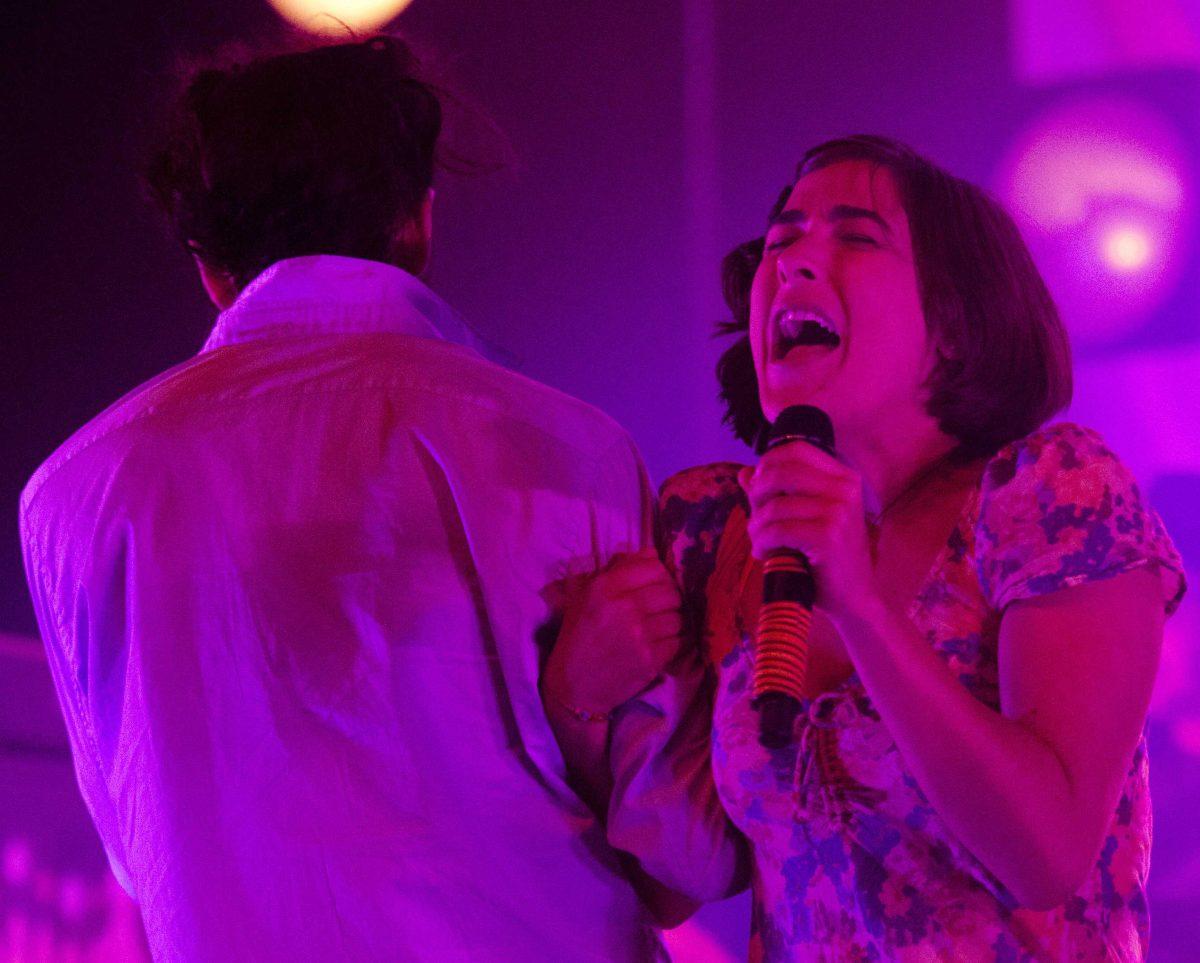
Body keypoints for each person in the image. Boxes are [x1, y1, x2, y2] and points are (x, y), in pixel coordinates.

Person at [18, 36, 740, 962]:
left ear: (209, 265)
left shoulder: (75, 494)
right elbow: (679, 861)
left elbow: (136, 849)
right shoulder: (567, 448)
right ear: (417, 223)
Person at [548, 135, 1186, 961]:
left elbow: (1046, 853)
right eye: (781, 241)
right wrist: (577, 705)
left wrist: (858, 603)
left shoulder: (1051, 491)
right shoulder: (717, 530)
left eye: (854, 237)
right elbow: (677, 881)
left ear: (954, 325)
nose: (795, 264)